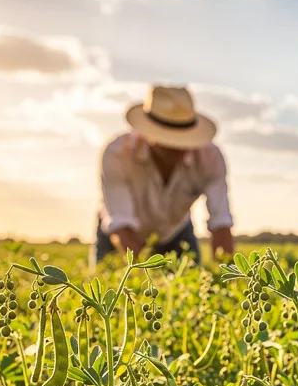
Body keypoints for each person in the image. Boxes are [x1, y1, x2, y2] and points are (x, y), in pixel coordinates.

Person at [92, 84, 236, 267]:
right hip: (119, 234)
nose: (177, 148)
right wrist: (148, 274)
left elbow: (221, 221)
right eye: (168, 142)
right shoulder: (118, 154)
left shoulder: (210, 158)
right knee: (107, 285)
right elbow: (121, 226)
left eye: (184, 139)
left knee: (190, 278)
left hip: (176, 231)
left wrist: (227, 275)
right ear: (148, 133)